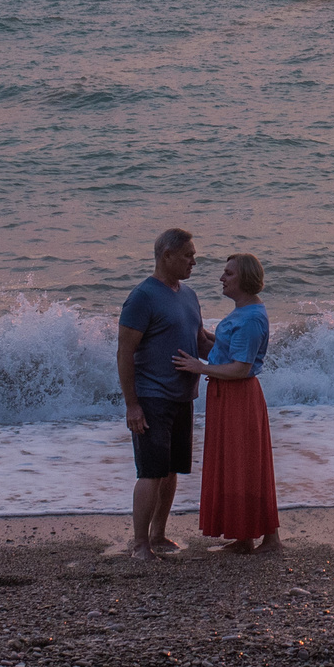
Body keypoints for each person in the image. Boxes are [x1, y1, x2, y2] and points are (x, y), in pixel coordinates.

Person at [174, 253, 281, 554]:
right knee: (236, 464)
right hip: (228, 395)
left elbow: (240, 368)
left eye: (229, 274)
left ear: (244, 279)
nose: (222, 278)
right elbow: (221, 351)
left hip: (239, 396)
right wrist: (197, 334)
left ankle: (269, 539)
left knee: (245, 464)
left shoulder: (250, 318)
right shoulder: (242, 313)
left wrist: (200, 368)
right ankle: (244, 536)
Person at [117, 227, 206, 559]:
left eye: (194, 256)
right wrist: (132, 405)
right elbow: (125, 352)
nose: (194, 262)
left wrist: (241, 352)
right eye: (188, 256)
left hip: (184, 397)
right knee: (151, 471)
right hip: (152, 397)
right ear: (166, 256)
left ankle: (158, 535)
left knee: (171, 471)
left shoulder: (188, 294)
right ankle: (140, 543)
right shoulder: (142, 296)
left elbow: (201, 340)